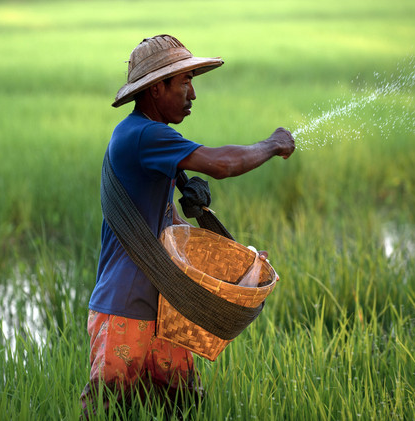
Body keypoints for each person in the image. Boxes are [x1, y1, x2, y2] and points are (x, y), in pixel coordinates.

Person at [80, 34, 295, 417]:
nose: (193, 93)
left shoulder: (143, 136)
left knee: (180, 407)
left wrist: (233, 260)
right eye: (185, 82)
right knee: (111, 410)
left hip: (166, 306)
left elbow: (170, 231)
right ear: (156, 88)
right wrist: (272, 144)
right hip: (127, 308)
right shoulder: (145, 134)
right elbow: (222, 164)